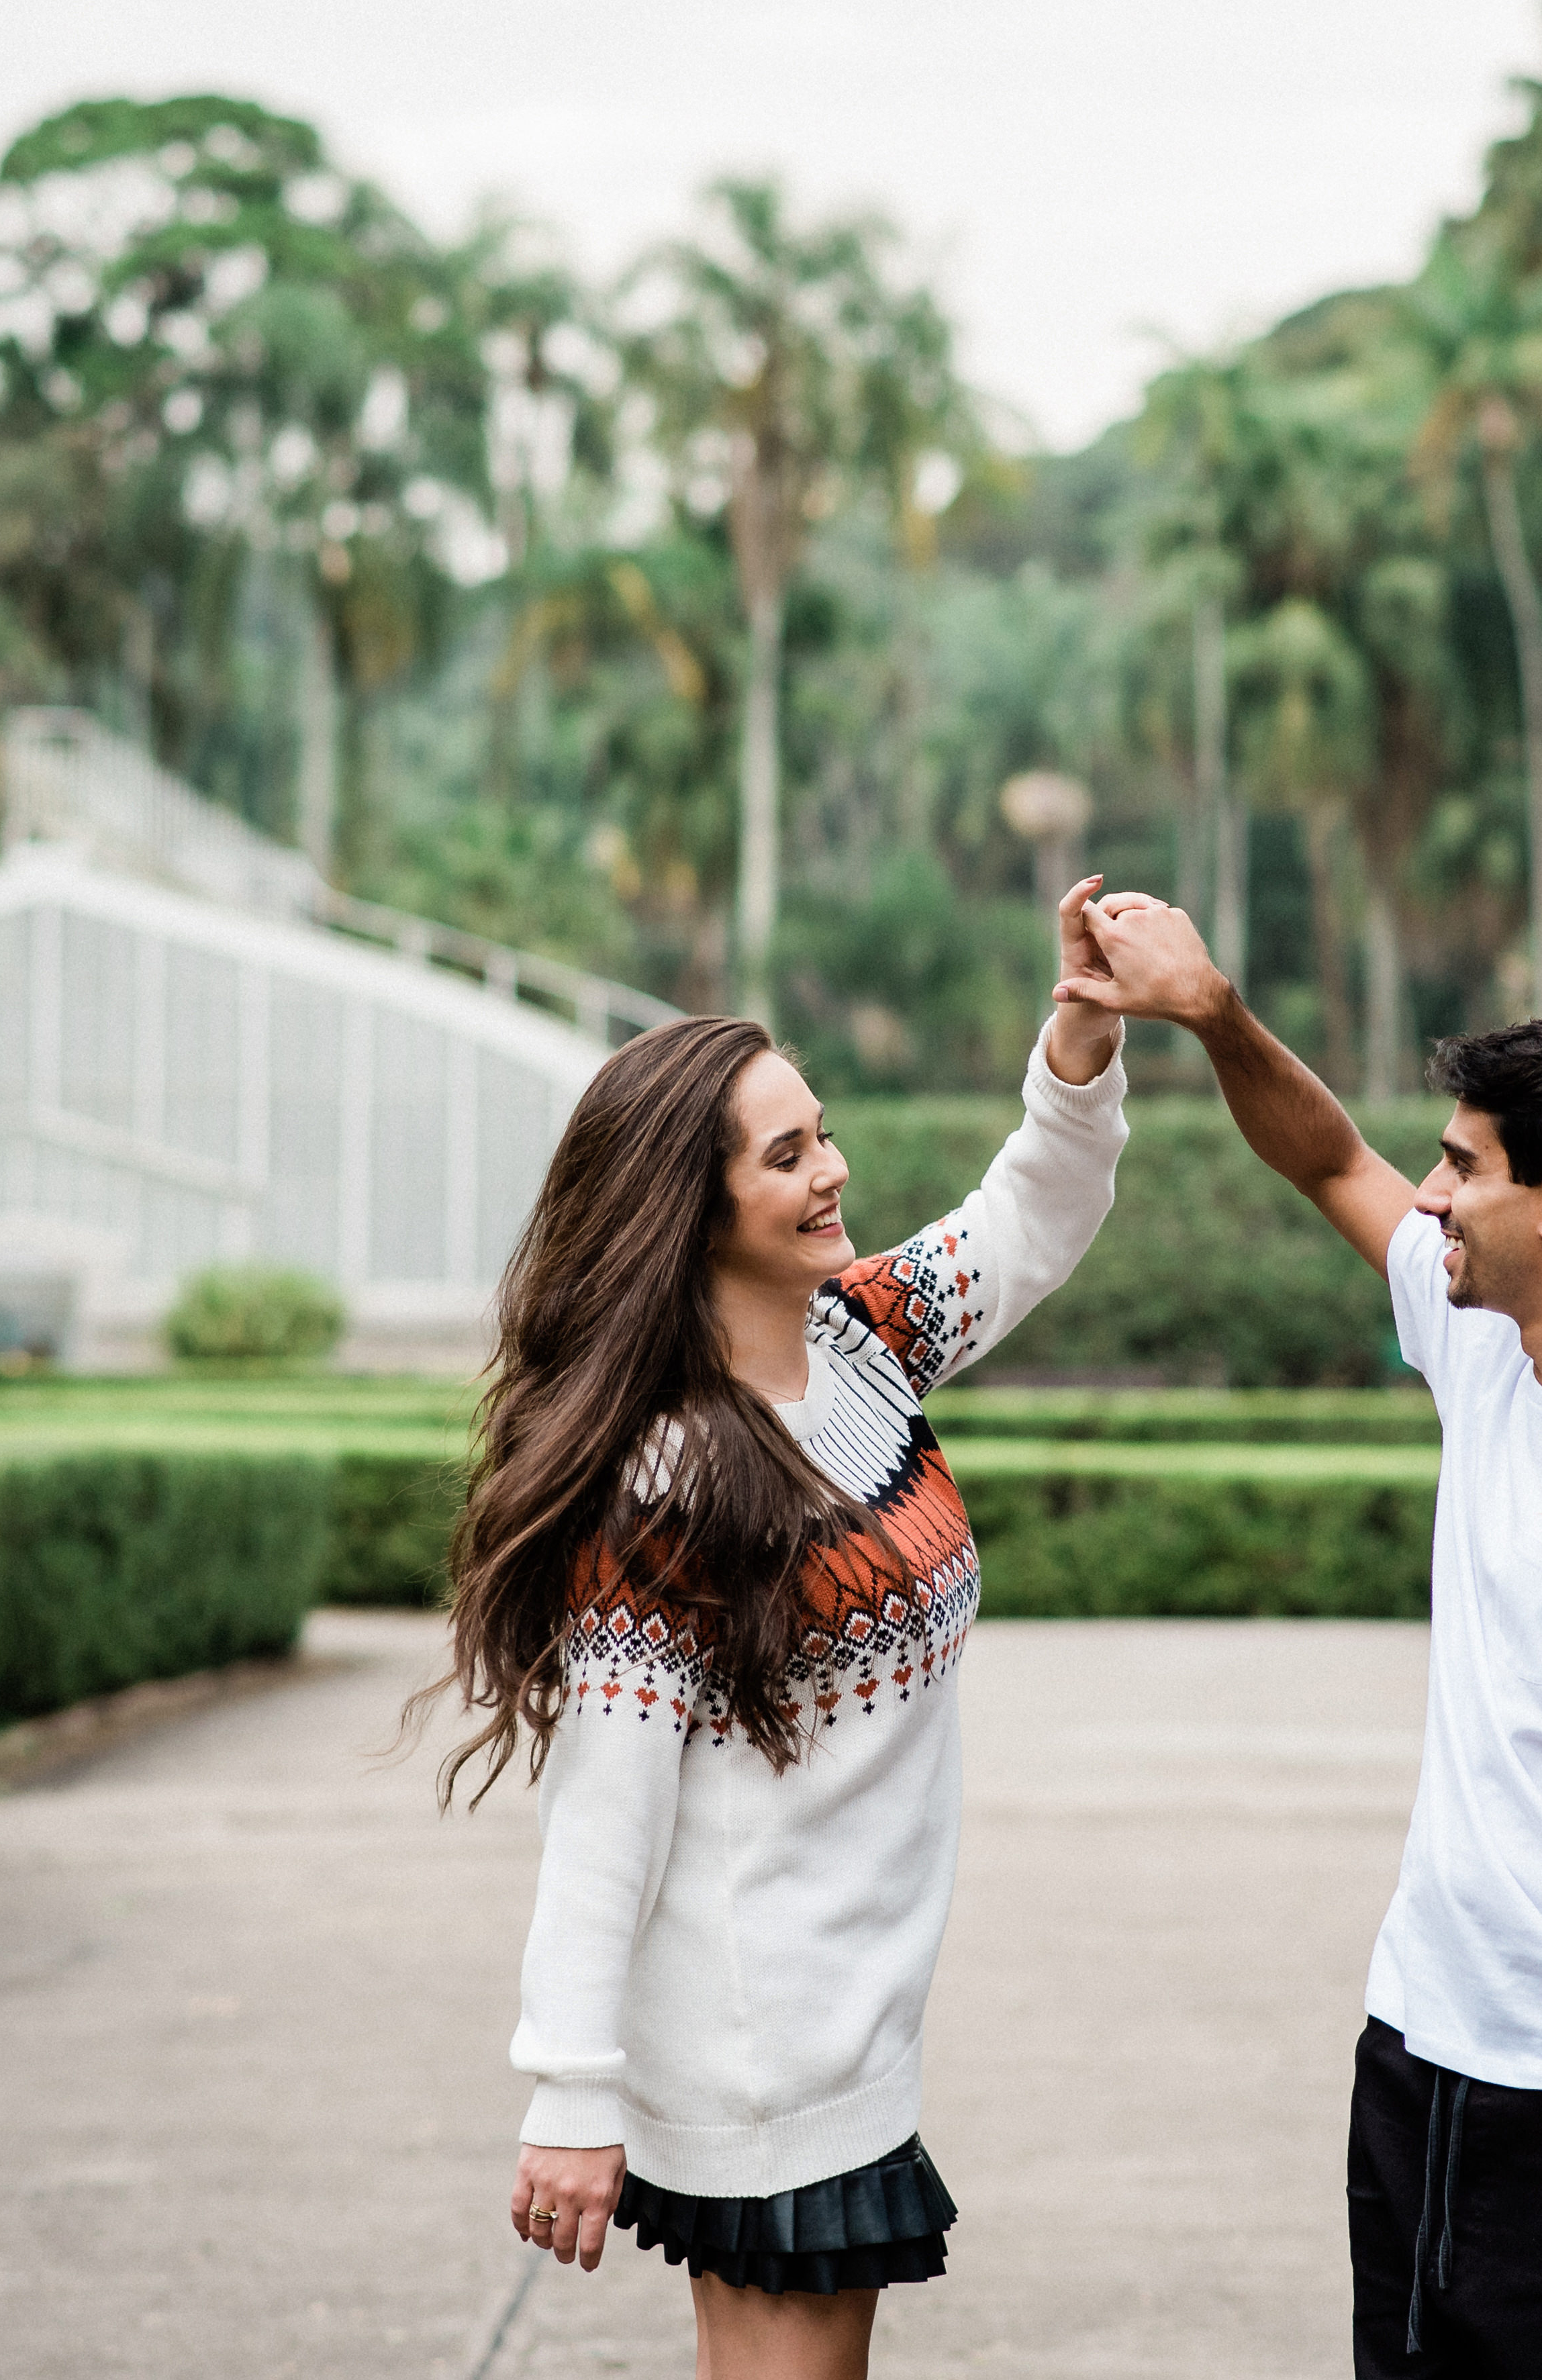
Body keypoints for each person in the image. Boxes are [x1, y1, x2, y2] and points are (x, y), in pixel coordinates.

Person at [1058, 900, 1542, 2380]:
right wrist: (1211, 1013)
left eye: (1462, 1166)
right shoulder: (1488, 1349)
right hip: (1419, 2058)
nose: (1428, 1197)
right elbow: (1327, 1158)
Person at [414, 880, 1135, 2380]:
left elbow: (1026, 1221)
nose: (833, 1170)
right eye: (786, 1154)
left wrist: (1076, 1039)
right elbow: (606, 1806)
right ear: (693, 1206)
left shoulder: (859, 1340)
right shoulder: (670, 1481)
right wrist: (570, 2089)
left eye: (823, 1135)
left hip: (851, 2025)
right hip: (761, 2048)